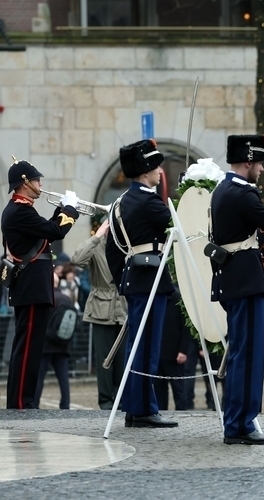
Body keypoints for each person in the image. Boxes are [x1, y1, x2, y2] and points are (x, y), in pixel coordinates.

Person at [209, 135, 264, 445]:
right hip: (246, 281)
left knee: (243, 353)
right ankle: (240, 423)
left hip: (237, 280)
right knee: (249, 354)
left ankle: (240, 421)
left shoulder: (223, 190)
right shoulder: (242, 194)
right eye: (258, 163)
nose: (260, 169)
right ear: (247, 162)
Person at [105, 139, 177, 428]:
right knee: (147, 347)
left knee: (138, 344)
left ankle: (136, 407)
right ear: (146, 169)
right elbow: (178, 225)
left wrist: (122, 281)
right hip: (151, 280)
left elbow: (112, 249)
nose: (160, 171)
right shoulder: (148, 201)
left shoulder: (120, 202)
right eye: (156, 166)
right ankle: (144, 409)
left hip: (134, 280)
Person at [2, 157, 79, 409]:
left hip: (32, 287)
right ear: (25, 183)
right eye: (36, 179)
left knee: (28, 348)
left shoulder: (22, 209)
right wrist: (70, 211)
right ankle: (22, 403)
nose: (40, 183)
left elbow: (46, 233)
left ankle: (22, 400)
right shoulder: (20, 210)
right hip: (32, 288)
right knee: (28, 350)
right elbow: (55, 232)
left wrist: (61, 211)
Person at [71, 218, 127, 410]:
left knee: (122, 361)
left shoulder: (128, 244)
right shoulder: (97, 245)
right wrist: (97, 235)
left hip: (124, 309)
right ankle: (105, 402)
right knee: (104, 360)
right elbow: (77, 259)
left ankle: (121, 401)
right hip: (101, 309)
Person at [33, 273, 75, 409]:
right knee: (63, 378)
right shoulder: (66, 299)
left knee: (39, 377)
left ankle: (34, 404)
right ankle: (65, 405)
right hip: (62, 344)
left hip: (45, 344)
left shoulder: (45, 298)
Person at [154, 287, 192, 411]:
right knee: (159, 391)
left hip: (175, 354)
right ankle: (160, 413)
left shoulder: (178, 298)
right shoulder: (154, 296)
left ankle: (183, 415)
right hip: (159, 353)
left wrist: (183, 350)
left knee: (179, 390)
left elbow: (186, 327)